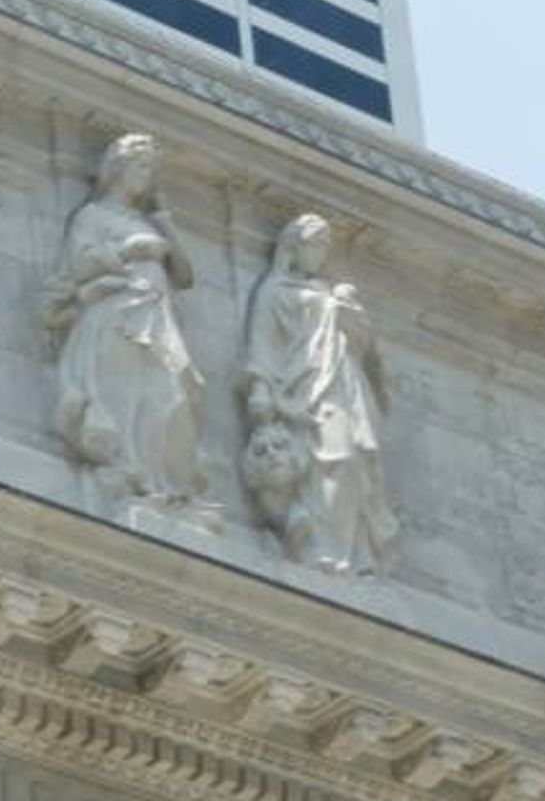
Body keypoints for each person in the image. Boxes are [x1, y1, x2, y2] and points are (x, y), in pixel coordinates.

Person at [43, 135, 213, 528]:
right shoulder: (94, 215)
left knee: (173, 394)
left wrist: (166, 227)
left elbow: (185, 275)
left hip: (157, 318)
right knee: (123, 397)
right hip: (115, 316)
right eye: (141, 167)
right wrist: (128, 252)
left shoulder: (149, 221)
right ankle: (131, 478)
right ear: (118, 169)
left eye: (151, 169)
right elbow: (80, 263)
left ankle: (166, 483)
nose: (146, 176)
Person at [240, 212, 397, 574]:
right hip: (299, 391)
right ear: (293, 248)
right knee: (323, 463)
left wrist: (352, 319)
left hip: (343, 384)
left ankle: (354, 557)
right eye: (313, 243)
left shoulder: (330, 294)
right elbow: (260, 346)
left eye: (325, 246)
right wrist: (260, 391)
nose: (319, 252)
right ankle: (316, 548)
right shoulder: (274, 291)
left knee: (350, 460)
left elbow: (368, 348)